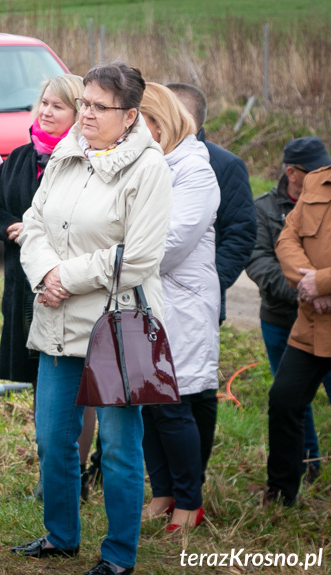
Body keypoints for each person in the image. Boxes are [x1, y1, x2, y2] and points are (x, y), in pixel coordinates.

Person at [12, 63, 172, 575]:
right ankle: (61, 536)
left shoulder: (148, 169)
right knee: (51, 437)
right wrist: (45, 274)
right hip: (56, 314)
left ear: (129, 116)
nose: (85, 114)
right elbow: (33, 221)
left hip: (116, 326)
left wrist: (67, 276)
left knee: (121, 447)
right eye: (83, 103)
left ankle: (119, 555)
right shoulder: (67, 151)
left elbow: (140, 257)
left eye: (98, 107)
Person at [0, 74, 94, 500]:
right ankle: (52, 474)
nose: (46, 111)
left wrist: (35, 234)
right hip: (22, 287)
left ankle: (71, 478)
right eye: (44, 103)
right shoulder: (21, 158)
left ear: (79, 113)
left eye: (58, 106)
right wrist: (10, 227)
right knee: (40, 381)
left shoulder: (84, 162)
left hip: (66, 286)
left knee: (77, 387)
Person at [138, 83, 220, 531]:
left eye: (142, 123)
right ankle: (163, 491)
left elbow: (170, 244)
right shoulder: (147, 163)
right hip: (146, 298)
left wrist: (119, 249)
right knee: (150, 402)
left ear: (160, 122)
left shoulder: (193, 170)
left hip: (180, 302)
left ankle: (190, 501)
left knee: (174, 403)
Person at [167, 81, 256, 481]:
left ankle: (193, 478)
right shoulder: (152, 161)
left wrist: (210, 285)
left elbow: (240, 233)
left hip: (196, 296)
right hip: (156, 296)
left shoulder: (223, 165)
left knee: (196, 390)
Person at [246, 137, 331, 484]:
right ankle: (284, 487)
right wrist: (307, 289)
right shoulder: (312, 186)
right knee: (285, 400)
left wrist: (322, 284)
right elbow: (285, 241)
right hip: (304, 327)